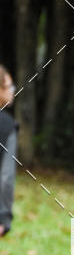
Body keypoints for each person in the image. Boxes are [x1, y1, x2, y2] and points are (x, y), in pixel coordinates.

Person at [0, 65, 17, 238]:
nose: (13, 91)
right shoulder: (6, 125)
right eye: (9, 86)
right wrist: (3, 218)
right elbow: (6, 177)